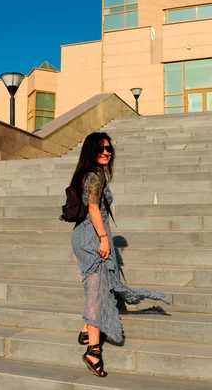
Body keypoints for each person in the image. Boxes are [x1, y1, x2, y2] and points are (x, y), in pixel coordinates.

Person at [70, 132, 170, 378]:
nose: (106, 152)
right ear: (91, 152)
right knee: (96, 290)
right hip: (92, 238)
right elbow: (93, 207)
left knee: (93, 285)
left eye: (109, 149)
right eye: (101, 149)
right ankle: (94, 350)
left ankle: (86, 329)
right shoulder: (95, 176)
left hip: (83, 236)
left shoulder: (87, 174)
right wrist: (104, 239)